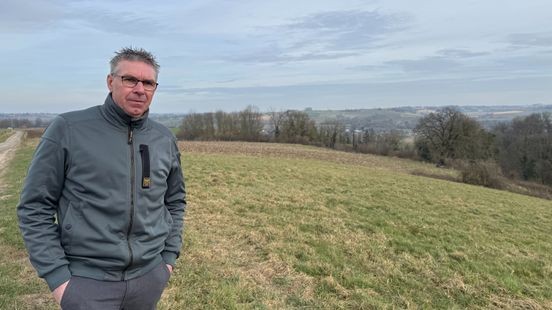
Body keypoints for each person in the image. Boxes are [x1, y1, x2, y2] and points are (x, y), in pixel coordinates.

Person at [17, 47, 186, 309]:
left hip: (149, 277)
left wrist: (167, 260)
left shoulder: (163, 138)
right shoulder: (69, 129)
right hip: (86, 282)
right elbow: (34, 206)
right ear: (110, 81)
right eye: (130, 79)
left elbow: (175, 200)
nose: (140, 89)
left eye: (148, 82)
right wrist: (59, 278)